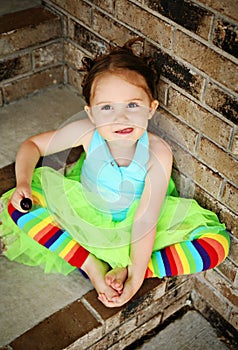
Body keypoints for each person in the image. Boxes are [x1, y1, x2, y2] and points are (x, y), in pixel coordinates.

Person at [0, 39, 230, 308]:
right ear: (92, 114)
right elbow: (33, 145)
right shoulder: (87, 132)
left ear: (151, 108)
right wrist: (24, 182)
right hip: (87, 213)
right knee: (20, 208)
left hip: (137, 226)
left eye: (132, 105)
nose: (120, 118)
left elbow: (145, 223)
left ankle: (137, 269)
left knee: (216, 246)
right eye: (107, 108)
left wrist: (134, 282)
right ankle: (91, 265)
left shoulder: (158, 153)